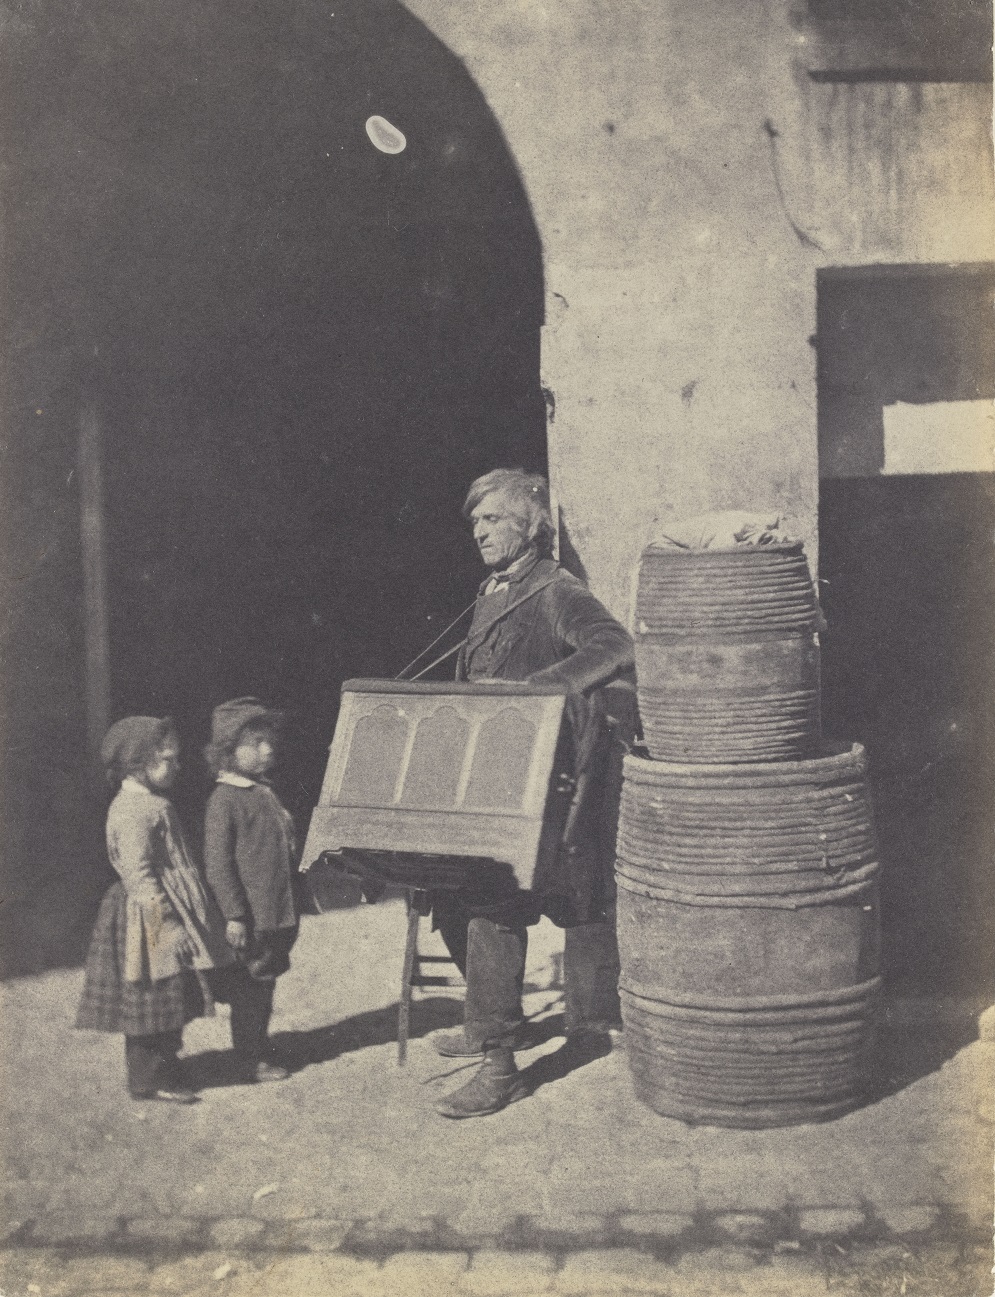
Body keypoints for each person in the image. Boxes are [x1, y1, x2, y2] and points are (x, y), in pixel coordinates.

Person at [432, 468, 638, 1119]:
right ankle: (487, 1018)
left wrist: (540, 689)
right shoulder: (490, 590)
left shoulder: (554, 589)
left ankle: (499, 1065)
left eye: (492, 519)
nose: (480, 532)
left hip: (537, 784)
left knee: (494, 903)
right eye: (474, 523)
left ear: (530, 524)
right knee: (445, 893)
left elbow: (613, 645)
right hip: (487, 771)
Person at [76, 716, 233, 1102]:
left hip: (163, 906)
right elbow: (139, 872)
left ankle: (166, 1063)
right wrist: (168, 925)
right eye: (167, 759)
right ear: (137, 764)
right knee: (152, 995)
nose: (177, 766)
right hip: (149, 914)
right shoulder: (132, 810)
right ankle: (149, 1077)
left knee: (173, 992)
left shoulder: (152, 802)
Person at [203, 698, 299, 1083]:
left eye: (269, 740)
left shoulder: (262, 791)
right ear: (228, 752)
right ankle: (249, 1057)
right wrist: (234, 914)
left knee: (264, 981)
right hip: (253, 917)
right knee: (250, 987)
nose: (268, 749)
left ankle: (256, 1044)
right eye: (256, 743)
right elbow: (218, 864)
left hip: (275, 912)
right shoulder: (225, 800)